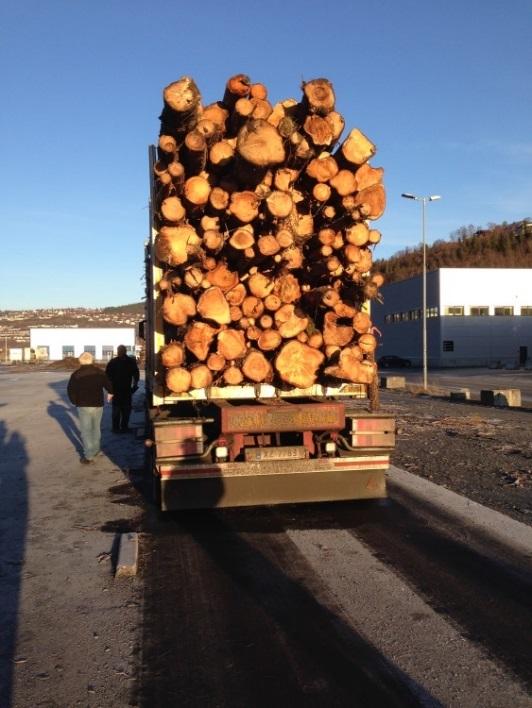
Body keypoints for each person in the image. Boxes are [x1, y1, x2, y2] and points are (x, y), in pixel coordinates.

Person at [67, 352, 113, 464]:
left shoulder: (76, 374)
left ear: (80, 361)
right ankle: (96, 450)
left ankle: (89, 455)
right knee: (96, 428)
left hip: (83, 405)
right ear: (92, 360)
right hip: (98, 404)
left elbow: (70, 390)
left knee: (86, 430)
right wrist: (110, 393)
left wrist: (74, 401)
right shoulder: (99, 372)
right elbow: (108, 384)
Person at [105, 345, 140, 433]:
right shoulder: (128, 361)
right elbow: (136, 374)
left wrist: (135, 384)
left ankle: (119, 428)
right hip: (121, 390)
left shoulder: (115, 362)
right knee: (122, 410)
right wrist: (135, 384)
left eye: (121, 350)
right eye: (120, 351)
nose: (120, 352)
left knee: (122, 410)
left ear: (123, 351)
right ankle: (120, 428)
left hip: (121, 390)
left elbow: (136, 374)